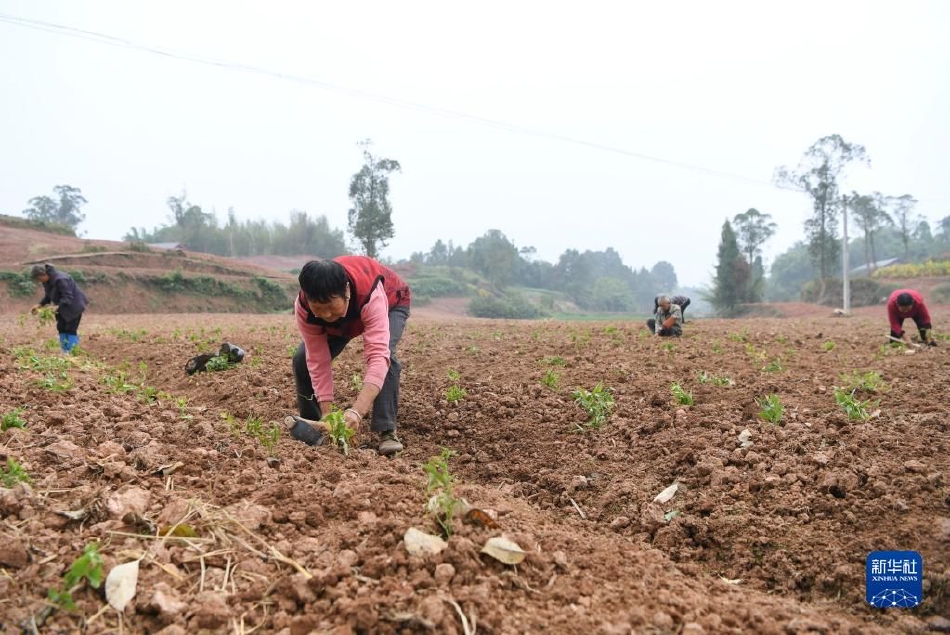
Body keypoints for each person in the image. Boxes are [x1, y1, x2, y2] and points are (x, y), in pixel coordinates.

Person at [290, 256, 411, 455]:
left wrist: (356, 411)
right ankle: (316, 425)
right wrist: (328, 416)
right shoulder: (304, 307)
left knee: (387, 354)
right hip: (347, 320)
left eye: (330, 306)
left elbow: (378, 356)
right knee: (302, 359)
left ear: (346, 290)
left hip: (391, 302)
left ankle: (387, 430)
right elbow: (317, 360)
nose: (327, 315)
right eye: (318, 309)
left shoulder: (369, 293)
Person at [30, 263, 88, 354]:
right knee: (61, 327)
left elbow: (67, 297)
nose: (39, 281)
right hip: (61, 306)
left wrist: (57, 307)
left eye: (38, 279)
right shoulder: (46, 281)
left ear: (43, 274)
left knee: (70, 329)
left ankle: (72, 352)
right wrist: (39, 305)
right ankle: (65, 351)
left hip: (73, 306)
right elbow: (48, 296)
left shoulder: (61, 279)